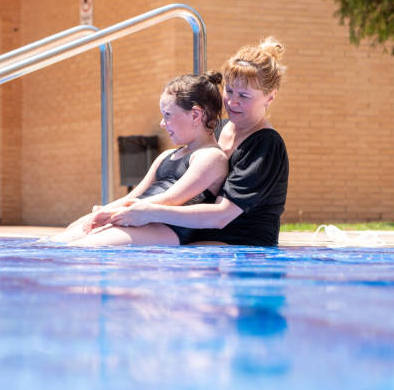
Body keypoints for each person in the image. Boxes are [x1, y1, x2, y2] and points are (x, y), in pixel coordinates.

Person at [81, 37, 289, 246]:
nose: (232, 102)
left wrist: (150, 212)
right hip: (195, 233)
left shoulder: (265, 145)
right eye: (229, 90)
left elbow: (221, 216)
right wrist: (114, 210)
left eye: (244, 95)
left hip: (241, 244)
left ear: (269, 97)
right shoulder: (217, 129)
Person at [48, 71, 228, 246]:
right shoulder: (166, 156)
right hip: (135, 215)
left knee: (83, 248)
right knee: (56, 241)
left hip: (166, 227)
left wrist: (112, 213)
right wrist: (99, 213)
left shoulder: (211, 157)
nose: (162, 123)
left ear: (196, 115)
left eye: (168, 115)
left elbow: (171, 199)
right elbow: (135, 195)